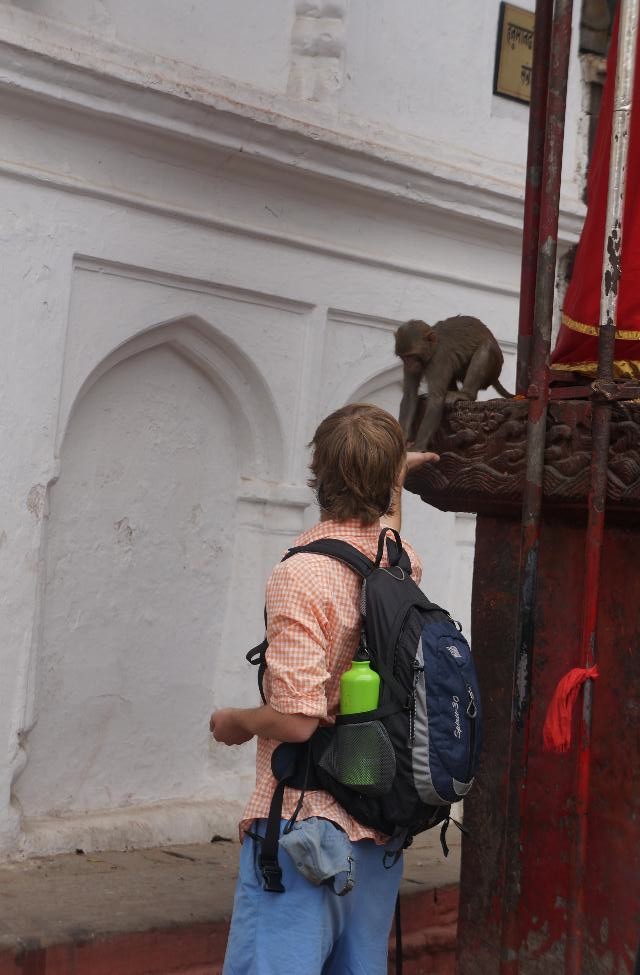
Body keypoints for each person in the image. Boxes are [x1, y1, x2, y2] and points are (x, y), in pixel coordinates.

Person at [210, 403, 438, 975]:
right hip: (378, 818)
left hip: (305, 828)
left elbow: (297, 720)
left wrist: (236, 721)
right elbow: (387, 529)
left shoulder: (301, 575)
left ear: (317, 471)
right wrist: (394, 477)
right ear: (387, 481)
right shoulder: (400, 563)